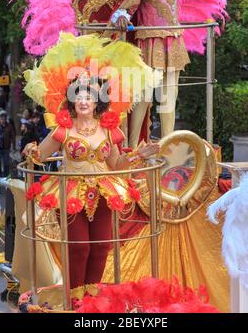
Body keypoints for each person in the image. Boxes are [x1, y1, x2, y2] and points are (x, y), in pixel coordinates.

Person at [22, 33, 159, 300]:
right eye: (79, 97)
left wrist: (139, 156)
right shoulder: (63, 130)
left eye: (89, 97)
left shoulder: (110, 130)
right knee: (79, 247)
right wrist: (31, 150)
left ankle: (92, 297)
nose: (84, 101)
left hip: (105, 191)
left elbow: (116, 163)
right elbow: (40, 155)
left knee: (101, 246)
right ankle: (74, 297)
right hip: (71, 191)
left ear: (97, 102)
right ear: (73, 101)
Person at [110, 0, 240, 147]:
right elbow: (126, 6)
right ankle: (131, 148)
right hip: (151, 42)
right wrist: (120, 17)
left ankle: (167, 147)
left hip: (174, 41)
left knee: (170, 97)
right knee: (144, 96)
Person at [0, 110, 16, 178]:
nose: (3, 119)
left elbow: (13, 137)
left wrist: (13, 146)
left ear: (6, 118)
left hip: (6, 148)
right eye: (1, 117)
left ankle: (6, 177)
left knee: (6, 164)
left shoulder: (9, 126)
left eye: (4, 117)